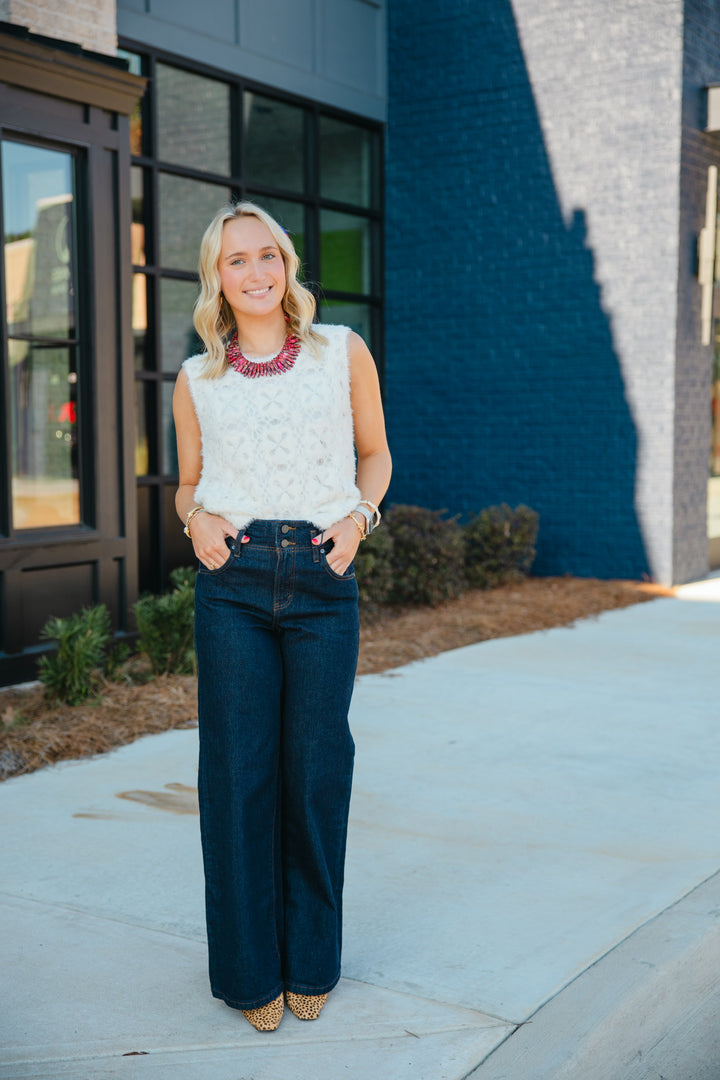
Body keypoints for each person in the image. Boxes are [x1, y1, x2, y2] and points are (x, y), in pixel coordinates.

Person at [172, 202, 391, 1031]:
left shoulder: (342, 350)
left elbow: (375, 452)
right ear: (216, 278)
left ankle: (312, 962)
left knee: (315, 771)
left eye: (267, 254)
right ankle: (250, 973)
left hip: (322, 575)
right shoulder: (196, 379)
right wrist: (195, 520)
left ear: (288, 264)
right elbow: (186, 485)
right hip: (232, 580)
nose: (256, 271)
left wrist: (359, 521)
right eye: (237, 260)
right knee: (238, 777)